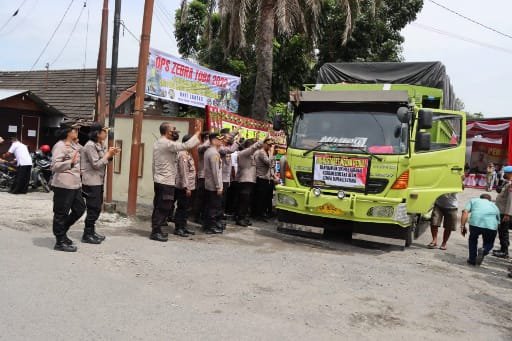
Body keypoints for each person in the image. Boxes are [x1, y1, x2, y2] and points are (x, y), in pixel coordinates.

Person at [150, 121, 201, 242]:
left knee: (159, 206)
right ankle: (155, 231)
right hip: (165, 180)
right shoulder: (166, 143)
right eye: (173, 129)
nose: (175, 131)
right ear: (167, 131)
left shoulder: (159, 143)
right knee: (163, 206)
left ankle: (156, 230)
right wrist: (198, 132)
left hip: (160, 179)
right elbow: (185, 145)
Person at [80, 123, 118, 244]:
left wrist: (111, 155)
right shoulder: (90, 145)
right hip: (91, 181)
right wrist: (108, 155)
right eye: (104, 131)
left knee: (97, 207)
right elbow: (96, 164)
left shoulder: (100, 144)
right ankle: (87, 234)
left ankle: (91, 231)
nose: (105, 134)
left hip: (98, 180)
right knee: (93, 208)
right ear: (97, 133)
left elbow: (104, 160)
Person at [51, 124, 86, 252]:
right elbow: (55, 165)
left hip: (75, 184)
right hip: (63, 184)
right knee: (61, 212)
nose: (77, 131)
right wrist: (70, 163)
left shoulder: (74, 145)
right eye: (74, 130)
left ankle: (62, 231)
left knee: (80, 209)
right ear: (67, 132)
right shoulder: (60, 146)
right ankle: (59, 241)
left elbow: (84, 151)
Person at [461, 193, 500, 266]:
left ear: (480, 198)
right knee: (489, 242)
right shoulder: (494, 206)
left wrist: (462, 226)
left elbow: (465, 212)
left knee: (472, 239)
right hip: (491, 226)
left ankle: (472, 259)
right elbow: (498, 221)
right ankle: (484, 250)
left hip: (475, 224)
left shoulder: (474, 200)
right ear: (490, 200)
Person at [235, 138, 263, 226]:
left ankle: (244, 217)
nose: (255, 149)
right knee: (243, 200)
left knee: (247, 201)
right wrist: (263, 139)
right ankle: (240, 218)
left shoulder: (251, 155)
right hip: (244, 180)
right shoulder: (243, 153)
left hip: (250, 180)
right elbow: (253, 148)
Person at [174, 134, 197, 237]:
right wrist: (186, 187)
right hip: (184, 187)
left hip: (189, 186)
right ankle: (179, 228)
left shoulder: (188, 153)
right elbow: (183, 172)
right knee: (182, 207)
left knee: (186, 208)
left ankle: (183, 226)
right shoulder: (183, 154)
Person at [203, 133, 225, 234]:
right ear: (214, 140)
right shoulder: (214, 153)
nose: (221, 141)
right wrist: (218, 186)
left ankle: (207, 225)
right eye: (219, 139)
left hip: (209, 183)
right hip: (213, 185)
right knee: (213, 206)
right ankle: (210, 227)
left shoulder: (209, 151)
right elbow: (215, 171)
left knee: (209, 205)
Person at [219, 128, 240, 221]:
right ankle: (217, 217)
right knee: (220, 199)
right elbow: (231, 150)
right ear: (222, 138)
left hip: (226, 178)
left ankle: (220, 215)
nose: (229, 139)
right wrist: (237, 141)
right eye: (227, 137)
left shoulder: (225, 146)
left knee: (224, 199)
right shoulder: (221, 147)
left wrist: (236, 131)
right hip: (221, 177)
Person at [253, 138, 275, 221]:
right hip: (261, 177)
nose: (270, 146)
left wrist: (273, 176)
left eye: (271, 145)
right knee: (260, 198)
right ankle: (258, 214)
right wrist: (272, 153)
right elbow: (269, 162)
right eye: (268, 145)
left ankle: (262, 213)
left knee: (265, 198)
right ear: (264, 144)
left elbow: (271, 165)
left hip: (267, 178)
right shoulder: (261, 152)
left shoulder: (267, 152)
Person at [493, 165, 512, 258]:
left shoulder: (511, 184)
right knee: (501, 231)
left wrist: (508, 214)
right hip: (502, 211)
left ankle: (504, 252)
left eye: (506, 173)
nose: (504, 174)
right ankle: (502, 249)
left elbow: (510, 200)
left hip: (505, 213)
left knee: (503, 231)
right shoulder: (508, 183)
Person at [192, 132, 210, 224]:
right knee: (200, 197)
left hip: (209, 177)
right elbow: (204, 147)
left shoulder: (211, 149)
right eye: (207, 137)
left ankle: (203, 215)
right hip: (202, 176)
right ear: (204, 139)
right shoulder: (201, 148)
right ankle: (196, 216)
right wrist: (209, 140)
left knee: (206, 198)